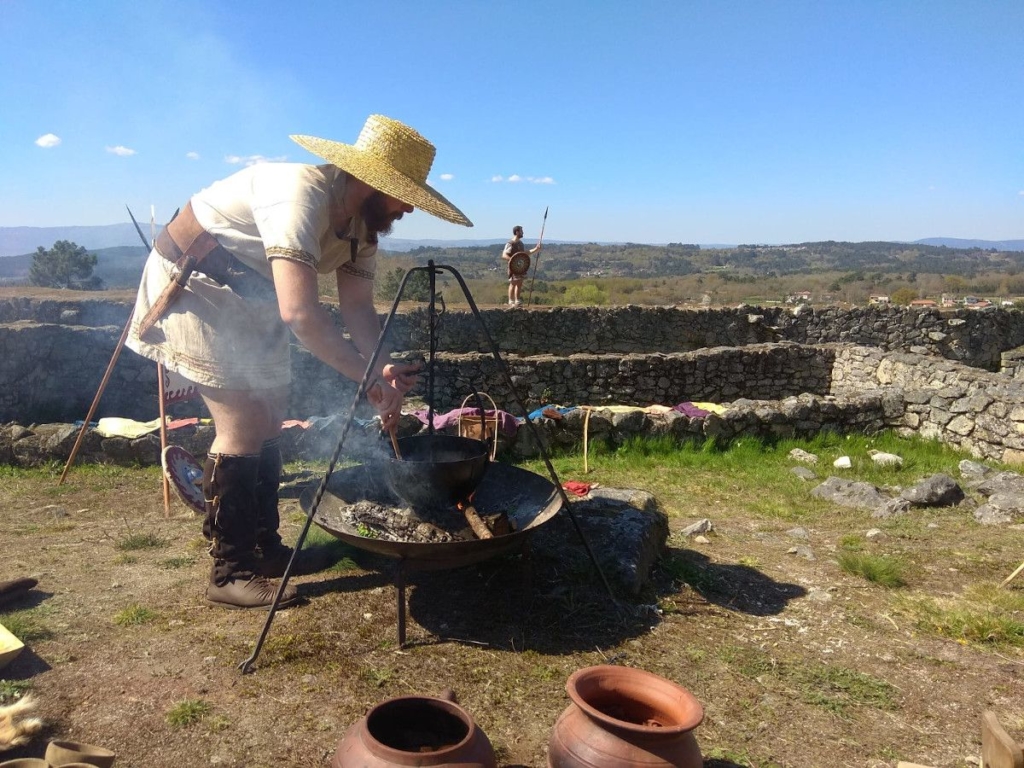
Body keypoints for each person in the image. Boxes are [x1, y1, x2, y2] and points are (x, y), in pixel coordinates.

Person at [125, 114, 472, 609]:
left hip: (254, 300)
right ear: (371, 181)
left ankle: (265, 549)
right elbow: (301, 313)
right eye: (403, 194)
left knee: (271, 416)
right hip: (197, 287)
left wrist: (384, 367)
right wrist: (368, 379)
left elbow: (356, 308)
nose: (410, 207)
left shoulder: (361, 228)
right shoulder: (299, 195)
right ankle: (230, 571)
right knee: (244, 422)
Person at [501, 225, 541, 306]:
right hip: (513, 267)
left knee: (519, 283)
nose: (523, 233)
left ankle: (517, 301)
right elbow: (504, 255)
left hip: (520, 267)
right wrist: (513, 260)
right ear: (517, 232)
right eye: (521, 231)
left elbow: (525, 253)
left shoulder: (520, 243)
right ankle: (511, 301)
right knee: (513, 283)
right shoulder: (510, 243)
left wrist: (536, 249)